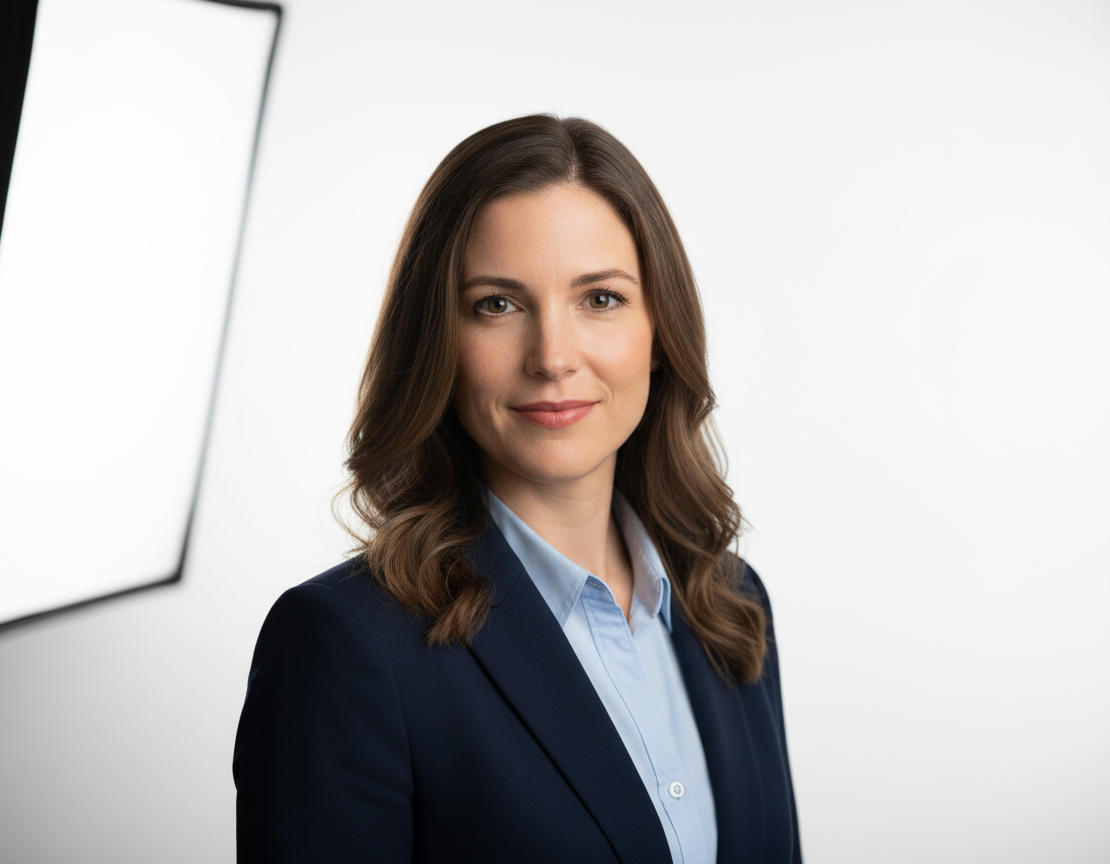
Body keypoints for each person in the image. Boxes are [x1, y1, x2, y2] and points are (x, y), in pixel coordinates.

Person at [233, 114, 801, 864]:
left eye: (599, 298)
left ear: (660, 332)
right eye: (496, 304)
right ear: (437, 340)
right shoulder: (344, 647)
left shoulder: (730, 602)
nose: (553, 357)